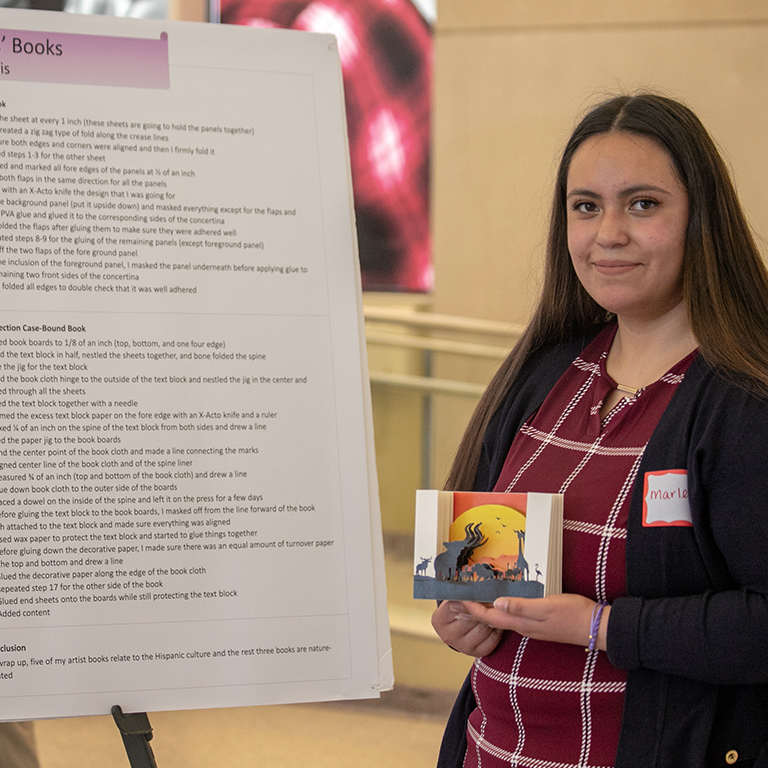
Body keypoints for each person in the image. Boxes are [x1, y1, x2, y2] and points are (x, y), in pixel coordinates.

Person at [431, 92, 768, 768]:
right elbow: (479, 569)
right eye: (586, 206)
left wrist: (600, 626)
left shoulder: (742, 399)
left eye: (642, 204)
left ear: (702, 219)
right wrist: (462, 614)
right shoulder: (545, 371)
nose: (607, 232)